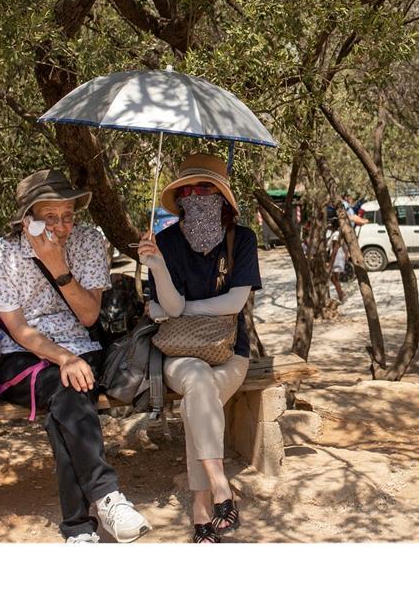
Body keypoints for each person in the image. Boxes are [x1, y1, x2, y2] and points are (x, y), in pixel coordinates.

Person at [0, 169, 151, 544]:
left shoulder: (89, 242)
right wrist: (63, 358)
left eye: (68, 215)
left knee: (68, 397)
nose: (62, 226)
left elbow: (89, 315)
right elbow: (19, 330)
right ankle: (106, 496)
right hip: (21, 355)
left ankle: (79, 528)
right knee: (68, 384)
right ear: (28, 220)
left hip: (81, 347)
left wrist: (59, 267)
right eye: (50, 217)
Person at [136, 153, 262, 544]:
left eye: (204, 187)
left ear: (222, 196)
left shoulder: (242, 239)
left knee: (199, 395)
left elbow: (234, 303)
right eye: (186, 189)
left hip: (230, 352)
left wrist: (182, 308)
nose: (195, 195)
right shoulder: (167, 241)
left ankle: (202, 511)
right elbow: (168, 307)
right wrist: (156, 265)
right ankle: (220, 488)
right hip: (180, 355)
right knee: (198, 382)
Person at [327, 217, 348, 303]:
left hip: (337, 257)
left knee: (335, 278)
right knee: (333, 278)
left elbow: (335, 249)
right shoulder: (333, 233)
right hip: (335, 256)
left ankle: (341, 296)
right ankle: (341, 293)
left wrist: (331, 262)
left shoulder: (336, 234)